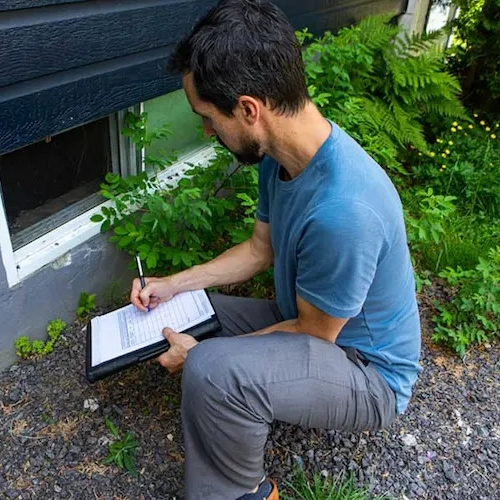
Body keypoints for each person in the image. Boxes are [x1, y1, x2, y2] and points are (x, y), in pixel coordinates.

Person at [130, 1, 422, 499]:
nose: (205, 131)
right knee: (190, 309)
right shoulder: (279, 156)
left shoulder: (344, 210)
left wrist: (206, 356)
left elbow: (316, 334)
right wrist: (170, 285)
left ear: (248, 109)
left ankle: (244, 493)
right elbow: (257, 251)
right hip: (314, 327)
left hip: (367, 374)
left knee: (211, 370)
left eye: (206, 117)